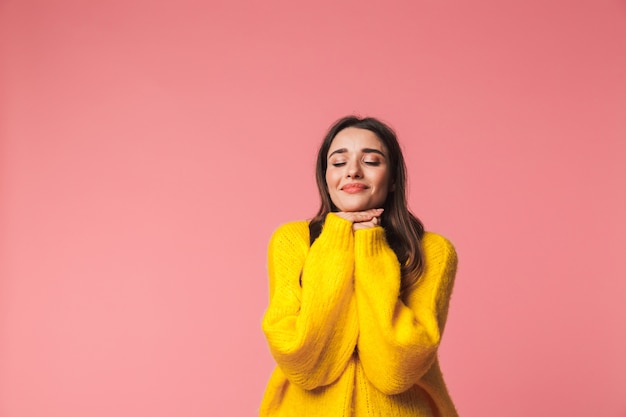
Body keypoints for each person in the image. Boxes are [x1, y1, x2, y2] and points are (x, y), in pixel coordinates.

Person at [260, 116, 458, 417]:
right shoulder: (292, 241)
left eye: (371, 160)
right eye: (338, 163)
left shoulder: (432, 250)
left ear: (392, 178)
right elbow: (304, 363)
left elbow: (395, 370)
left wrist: (370, 246)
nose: (352, 171)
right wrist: (336, 240)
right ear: (325, 177)